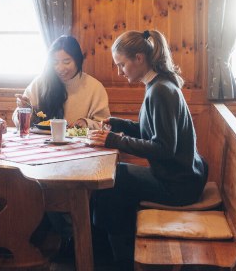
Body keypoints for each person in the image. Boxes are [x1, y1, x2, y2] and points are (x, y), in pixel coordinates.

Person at [88, 30, 207, 268]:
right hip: (183, 176)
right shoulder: (158, 84)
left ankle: (114, 258)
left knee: (112, 180)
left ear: (139, 58)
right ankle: (106, 249)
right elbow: (151, 131)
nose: (120, 72)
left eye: (122, 65)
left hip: (178, 185)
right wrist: (118, 124)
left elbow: (164, 148)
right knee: (113, 178)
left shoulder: (160, 91)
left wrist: (113, 140)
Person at [14, 35, 109, 129]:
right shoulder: (41, 82)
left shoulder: (94, 87)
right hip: (42, 141)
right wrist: (24, 111)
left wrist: (86, 123)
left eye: (66, 62)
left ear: (78, 60)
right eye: (55, 62)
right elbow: (18, 123)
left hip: (79, 142)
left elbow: (105, 125)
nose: (60, 68)